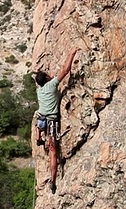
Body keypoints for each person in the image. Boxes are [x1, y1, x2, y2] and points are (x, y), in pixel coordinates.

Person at [33, 48, 80, 194]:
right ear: (47, 79)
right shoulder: (52, 85)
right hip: (52, 121)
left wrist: (45, 76)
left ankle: (38, 137)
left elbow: (42, 79)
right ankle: (53, 181)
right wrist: (71, 53)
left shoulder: (39, 90)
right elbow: (65, 70)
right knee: (53, 152)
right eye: (47, 75)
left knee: (37, 116)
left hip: (41, 119)